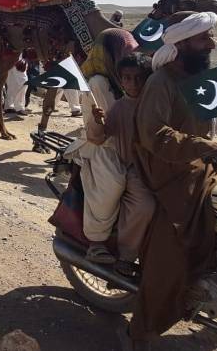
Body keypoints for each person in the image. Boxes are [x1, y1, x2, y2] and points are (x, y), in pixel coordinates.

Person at [127, 11, 217, 348]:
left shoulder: (200, 75)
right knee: (173, 249)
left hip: (200, 163)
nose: (212, 43)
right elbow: (155, 136)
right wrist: (210, 148)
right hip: (169, 170)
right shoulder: (162, 82)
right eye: (204, 38)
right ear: (183, 43)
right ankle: (143, 330)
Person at [66, 28, 138, 265]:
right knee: (114, 181)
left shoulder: (129, 78)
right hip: (104, 145)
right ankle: (96, 243)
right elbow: (104, 130)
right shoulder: (98, 82)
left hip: (129, 142)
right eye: (122, 51)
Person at [88, 53, 156, 278]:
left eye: (139, 78)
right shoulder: (118, 108)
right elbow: (98, 138)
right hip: (136, 169)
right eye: (127, 78)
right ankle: (126, 257)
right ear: (120, 80)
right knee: (144, 205)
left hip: (163, 168)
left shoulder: (158, 103)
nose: (133, 83)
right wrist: (97, 122)